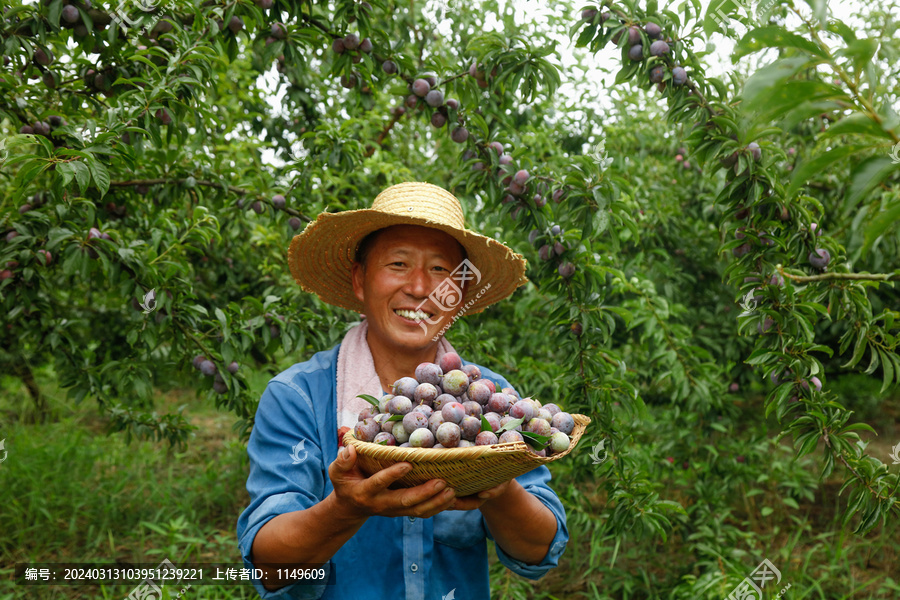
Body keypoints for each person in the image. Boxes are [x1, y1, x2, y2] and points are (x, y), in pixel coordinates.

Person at [236, 182, 570, 599]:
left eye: (439, 270)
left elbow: (540, 551)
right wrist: (347, 508)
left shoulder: (495, 403)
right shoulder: (298, 397)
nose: (419, 288)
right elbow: (268, 567)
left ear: (459, 294)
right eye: (397, 263)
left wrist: (496, 481)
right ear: (360, 281)